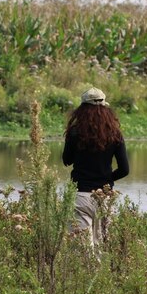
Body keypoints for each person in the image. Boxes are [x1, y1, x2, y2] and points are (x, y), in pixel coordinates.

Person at [62, 87, 130, 246]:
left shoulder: (75, 133)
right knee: (101, 248)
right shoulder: (115, 134)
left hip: (80, 196)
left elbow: (67, 160)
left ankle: (84, 271)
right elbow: (124, 170)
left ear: (82, 109)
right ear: (105, 108)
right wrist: (106, 179)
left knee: (81, 250)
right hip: (104, 197)